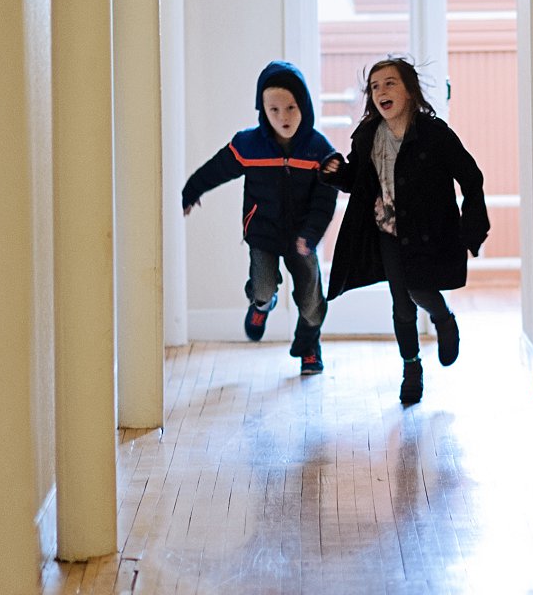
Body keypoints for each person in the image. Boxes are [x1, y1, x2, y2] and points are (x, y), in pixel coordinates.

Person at [321, 58, 489, 407]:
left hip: (429, 231)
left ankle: (443, 319)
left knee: (419, 290)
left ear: (410, 91)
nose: (381, 91)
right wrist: (335, 172)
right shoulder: (368, 136)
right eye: (374, 86)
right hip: (388, 232)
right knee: (401, 304)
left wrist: (471, 225)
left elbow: (471, 177)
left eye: (389, 83)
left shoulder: (434, 134)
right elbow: (356, 180)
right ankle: (411, 369)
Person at [181, 60, 337, 374]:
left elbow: (325, 200)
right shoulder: (249, 145)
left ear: (304, 105)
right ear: (262, 110)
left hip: (303, 236)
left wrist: (311, 234)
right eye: (274, 109)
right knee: (264, 288)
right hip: (263, 232)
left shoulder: (318, 150)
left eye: (291, 108)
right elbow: (216, 169)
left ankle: (309, 346)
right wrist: (191, 191)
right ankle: (261, 306)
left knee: (311, 301)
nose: (284, 117)